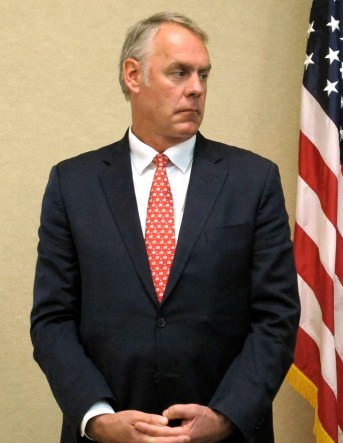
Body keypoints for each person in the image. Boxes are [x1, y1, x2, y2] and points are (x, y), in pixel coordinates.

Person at [31, 12, 300, 443]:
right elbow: (52, 319)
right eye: (179, 72)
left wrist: (226, 415)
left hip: (223, 434)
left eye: (203, 75)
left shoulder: (253, 180)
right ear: (133, 75)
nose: (196, 88)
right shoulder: (73, 183)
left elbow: (276, 317)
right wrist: (96, 417)